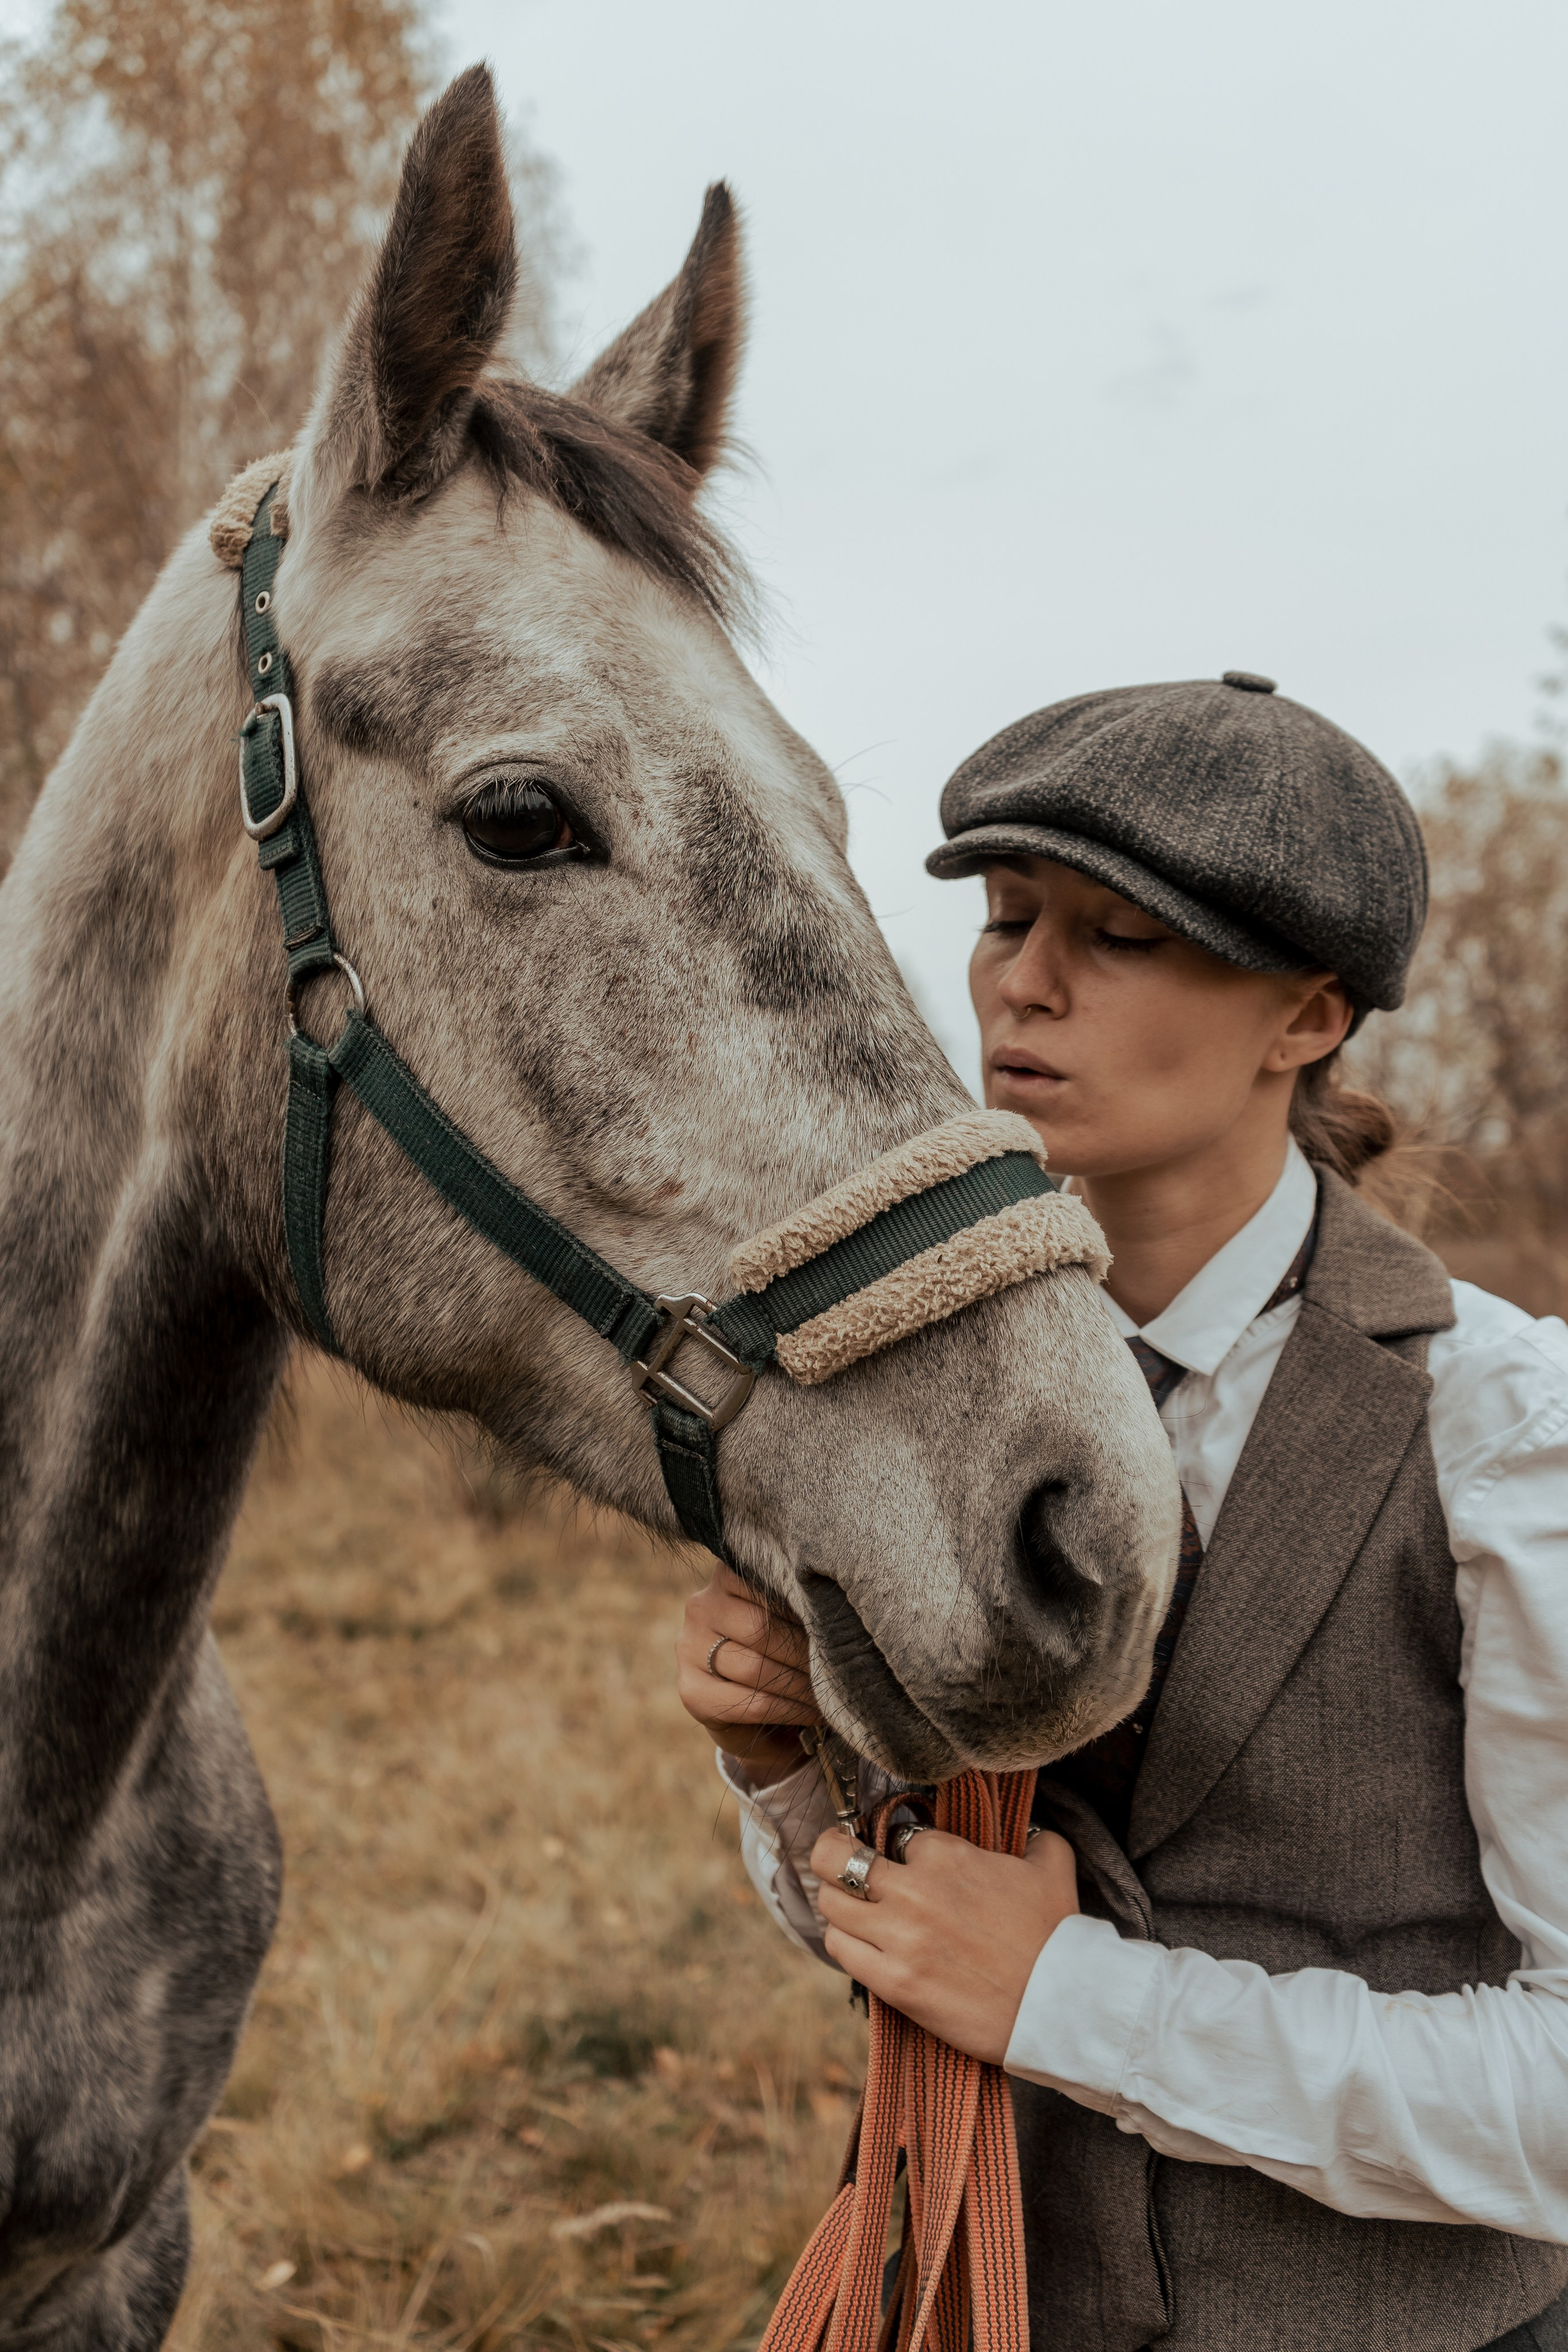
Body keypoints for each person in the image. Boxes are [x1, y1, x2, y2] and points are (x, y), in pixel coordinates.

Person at [674, 673, 1568, 2352]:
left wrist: (1080, 2003)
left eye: (1121, 936)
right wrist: (786, 1776)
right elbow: (917, 1938)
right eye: (1008, 918)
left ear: (1306, 1018)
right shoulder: (929, 1408)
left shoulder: (1509, 1431)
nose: (1025, 979)